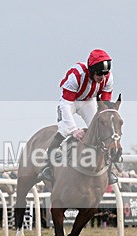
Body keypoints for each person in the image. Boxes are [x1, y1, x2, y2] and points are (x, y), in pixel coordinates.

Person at [40, 49, 118, 185]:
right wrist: (74, 130)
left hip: (87, 102)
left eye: (105, 73)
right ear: (92, 70)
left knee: (100, 129)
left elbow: (104, 105)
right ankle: (47, 167)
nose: (102, 77)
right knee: (65, 130)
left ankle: (108, 170)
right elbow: (65, 104)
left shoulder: (108, 79)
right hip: (69, 102)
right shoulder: (76, 75)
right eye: (100, 74)